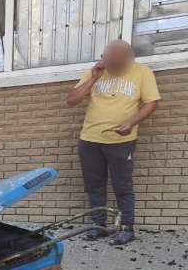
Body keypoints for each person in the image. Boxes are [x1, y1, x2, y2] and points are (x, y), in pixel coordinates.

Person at [66, 40, 160, 245]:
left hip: (121, 141)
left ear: (129, 59)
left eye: (118, 64)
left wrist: (132, 122)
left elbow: (151, 102)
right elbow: (71, 100)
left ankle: (126, 228)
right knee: (94, 186)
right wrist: (94, 78)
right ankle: (98, 226)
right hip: (90, 140)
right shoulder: (95, 72)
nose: (114, 68)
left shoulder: (142, 72)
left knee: (122, 186)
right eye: (110, 63)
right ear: (104, 58)